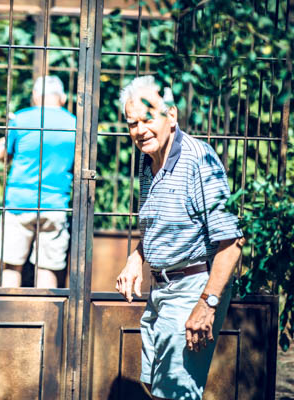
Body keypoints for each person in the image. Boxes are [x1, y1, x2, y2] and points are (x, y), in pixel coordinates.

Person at [115, 76, 244, 400]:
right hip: (160, 290)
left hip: (192, 287)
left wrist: (206, 304)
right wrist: (136, 258)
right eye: (133, 124)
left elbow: (232, 242)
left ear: (171, 115)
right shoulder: (148, 160)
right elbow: (158, 223)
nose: (140, 130)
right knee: (154, 385)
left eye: (148, 119)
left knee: (175, 394)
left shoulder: (199, 159)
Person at [0, 75, 76, 288]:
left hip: (18, 202)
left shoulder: (20, 119)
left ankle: (8, 309)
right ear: (63, 98)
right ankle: (46, 310)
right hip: (55, 203)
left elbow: (7, 152)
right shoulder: (74, 124)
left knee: (11, 266)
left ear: (35, 96)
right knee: (47, 268)